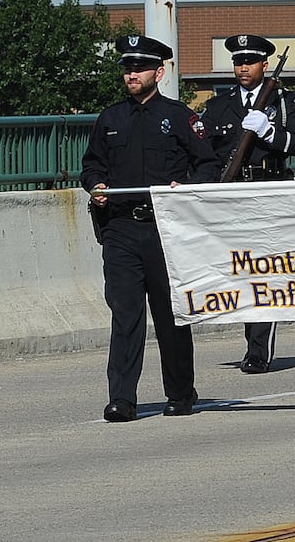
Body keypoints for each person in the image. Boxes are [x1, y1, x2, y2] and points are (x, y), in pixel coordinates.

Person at [80, 35, 218, 421]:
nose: (132, 74)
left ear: (159, 72)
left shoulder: (179, 117)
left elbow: (208, 166)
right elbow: (91, 165)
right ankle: (122, 398)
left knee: (170, 314)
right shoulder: (110, 118)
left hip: (164, 228)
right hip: (121, 228)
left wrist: (185, 188)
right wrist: (96, 187)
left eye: (140, 68)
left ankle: (180, 393)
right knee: (125, 315)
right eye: (127, 68)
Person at [200, 33, 295, 374]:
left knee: (264, 272)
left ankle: (257, 349)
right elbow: (204, 154)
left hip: (270, 193)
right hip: (232, 196)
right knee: (239, 271)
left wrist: (272, 134)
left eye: (250, 61)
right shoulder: (218, 106)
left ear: (264, 65)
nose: (243, 67)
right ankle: (249, 338)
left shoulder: (282, 101)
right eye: (238, 62)